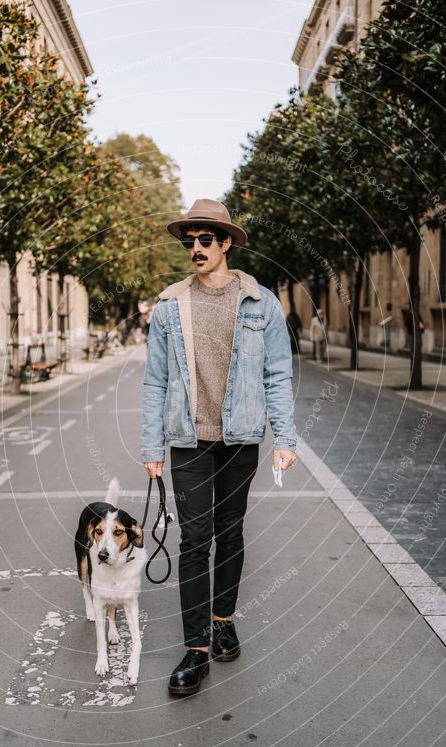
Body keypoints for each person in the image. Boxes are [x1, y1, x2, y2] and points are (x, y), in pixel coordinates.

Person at [140, 198, 297, 696]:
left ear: (226, 242)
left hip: (240, 438)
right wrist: (152, 446)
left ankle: (223, 618)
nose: (196, 248)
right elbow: (154, 382)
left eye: (206, 239)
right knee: (194, 541)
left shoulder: (261, 302)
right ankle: (197, 648)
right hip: (188, 441)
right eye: (190, 240)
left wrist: (285, 437)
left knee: (230, 534)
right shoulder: (168, 307)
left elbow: (277, 374)